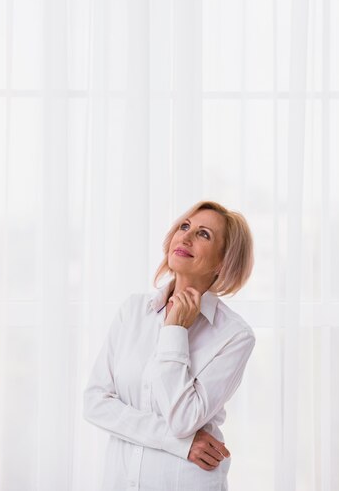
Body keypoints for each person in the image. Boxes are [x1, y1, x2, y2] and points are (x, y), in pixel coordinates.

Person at [83, 200, 256, 491]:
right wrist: (181, 444)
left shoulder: (235, 336)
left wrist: (175, 330)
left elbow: (183, 419)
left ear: (222, 262)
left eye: (204, 234)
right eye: (184, 226)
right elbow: (95, 403)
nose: (186, 236)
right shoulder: (134, 310)